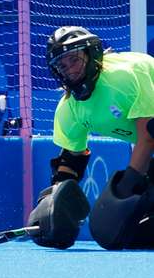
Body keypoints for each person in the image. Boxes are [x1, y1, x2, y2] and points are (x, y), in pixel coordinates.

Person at [27, 26, 154, 250]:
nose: (70, 70)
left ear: (91, 54)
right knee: (131, 234)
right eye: (62, 66)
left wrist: (125, 187)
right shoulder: (69, 110)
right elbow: (72, 160)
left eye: (74, 60)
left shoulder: (124, 78)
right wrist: (54, 203)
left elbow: (148, 137)